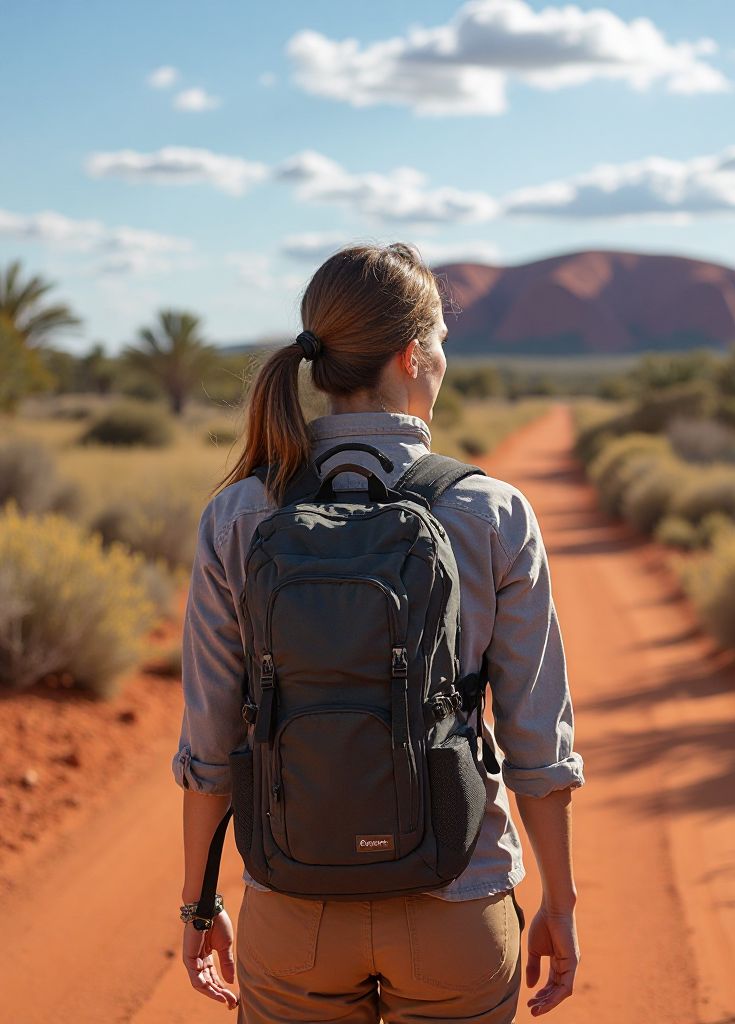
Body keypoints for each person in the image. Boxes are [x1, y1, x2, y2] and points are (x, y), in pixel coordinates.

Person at [173, 241, 584, 1023]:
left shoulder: (239, 513)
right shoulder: (493, 513)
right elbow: (538, 744)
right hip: (458, 901)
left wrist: (199, 903)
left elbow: (210, 741)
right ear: (411, 354)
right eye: (442, 342)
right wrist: (559, 903)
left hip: (293, 910)